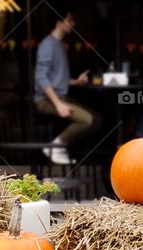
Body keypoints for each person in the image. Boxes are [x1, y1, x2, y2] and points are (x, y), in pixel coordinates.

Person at [33, 6, 101, 165]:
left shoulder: (59, 44)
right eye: (69, 20)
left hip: (60, 96)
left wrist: (75, 81)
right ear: (59, 22)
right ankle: (56, 146)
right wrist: (58, 105)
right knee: (87, 120)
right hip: (46, 100)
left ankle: (60, 145)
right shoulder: (48, 44)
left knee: (97, 119)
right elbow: (40, 77)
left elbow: (56, 78)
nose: (73, 24)